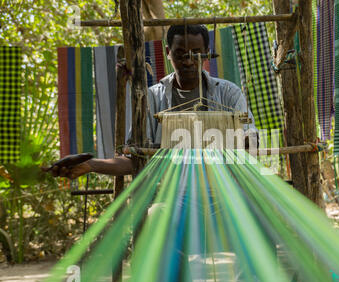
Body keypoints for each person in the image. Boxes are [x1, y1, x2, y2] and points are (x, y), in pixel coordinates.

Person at [47, 24, 257, 179]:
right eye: (180, 53)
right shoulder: (152, 99)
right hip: (170, 196)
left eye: (195, 53)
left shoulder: (229, 94)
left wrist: (246, 139)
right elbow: (134, 159)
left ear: (207, 54)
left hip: (222, 192)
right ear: (168, 54)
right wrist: (91, 165)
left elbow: (251, 142)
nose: (188, 61)